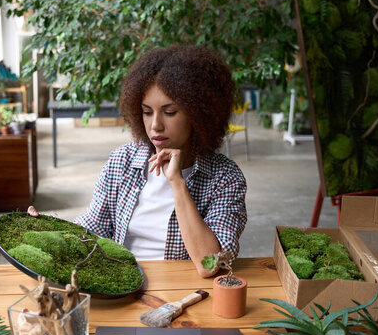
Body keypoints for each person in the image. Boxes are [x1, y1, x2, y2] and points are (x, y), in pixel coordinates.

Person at [30, 45, 247, 278]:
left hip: (188, 296)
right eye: (146, 112)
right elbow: (93, 228)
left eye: (170, 112)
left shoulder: (224, 177)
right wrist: (50, 231)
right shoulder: (122, 161)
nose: (155, 125)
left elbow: (211, 264)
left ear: (198, 114)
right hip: (123, 288)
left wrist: (177, 183)